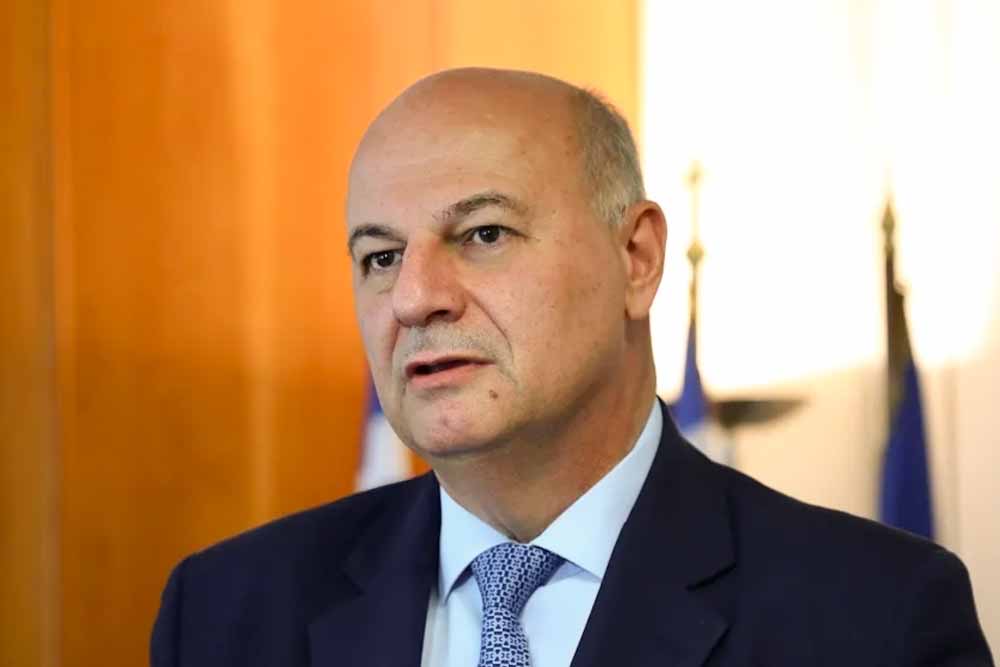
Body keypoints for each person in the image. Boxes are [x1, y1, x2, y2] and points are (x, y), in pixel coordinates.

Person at [151, 68, 993, 666]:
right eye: (380, 256)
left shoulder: (872, 618)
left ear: (636, 258)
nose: (413, 298)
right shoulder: (227, 612)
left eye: (482, 234)